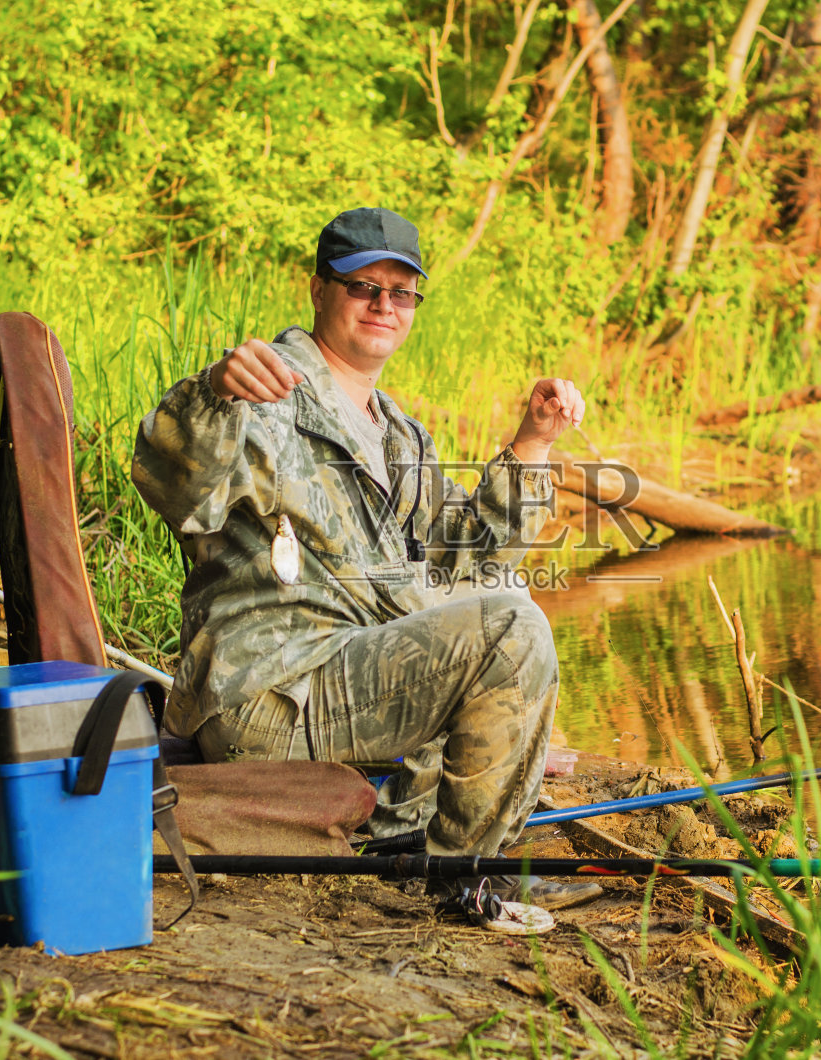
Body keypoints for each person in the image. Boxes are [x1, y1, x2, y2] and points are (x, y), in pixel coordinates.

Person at [131, 207, 598, 909]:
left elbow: (469, 557)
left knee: (507, 601)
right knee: (509, 630)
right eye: (362, 286)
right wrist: (214, 394)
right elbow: (175, 482)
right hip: (272, 695)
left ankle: (411, 831)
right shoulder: (264, 388)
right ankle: (462, 876)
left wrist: (532, 443)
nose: (384, 304)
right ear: (319, 289)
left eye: (401, 291)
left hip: (349, 684)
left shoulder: (400, 433)